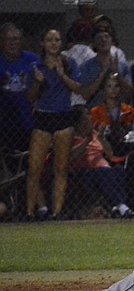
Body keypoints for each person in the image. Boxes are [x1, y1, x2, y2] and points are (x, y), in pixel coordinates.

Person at [24, 29, 82, 221]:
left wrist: (62, 74)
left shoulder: (69, 63)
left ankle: (57, 211)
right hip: (43, 117)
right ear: (42, 43)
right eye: (49, 40)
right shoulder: (35, 66)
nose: (53, 43)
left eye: (57, 39)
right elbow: (30, 97)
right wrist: (38, 83)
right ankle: (30, 211)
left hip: (63, 118)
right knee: (34, 168)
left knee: (61, 169)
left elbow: (78, 88)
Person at [69, 108, 134, 218]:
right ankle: (121, 206)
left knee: (118, 171)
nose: (90, 118)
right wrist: (86, 141)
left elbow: (110, 154)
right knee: (104, 173)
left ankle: (117, 206)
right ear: (79, 121)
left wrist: (101, 138)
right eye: (86, 116)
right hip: (85, 171)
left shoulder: (95, 134)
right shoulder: (72, 137)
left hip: (104, 168)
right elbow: (70, 158)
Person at [0, 22, 40, 152]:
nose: (13, 43)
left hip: (28, 116)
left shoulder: (31, 59)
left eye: (16, 39)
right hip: (5, 116)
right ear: (2, 41)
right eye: (8, 39)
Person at [78, 27, 132, 108]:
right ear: (94, 43)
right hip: (95, 111)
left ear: (111, 40)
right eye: (99, 38)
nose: (103, 40)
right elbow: (85, 95)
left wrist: (117, 72)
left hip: (119, 111)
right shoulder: (86, 66)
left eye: (106, 37)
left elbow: (129, 92)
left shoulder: (123, 65)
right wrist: (102, 73)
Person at [89, 74, 134, 151]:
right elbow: (95, 132)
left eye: (116, 86)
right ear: (104, 89)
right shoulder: (96, 111)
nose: (113, 89)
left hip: (125, 145)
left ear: (120, 88)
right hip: (103, 147)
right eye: (109, 86)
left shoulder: (128, 110)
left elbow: (131, 129)